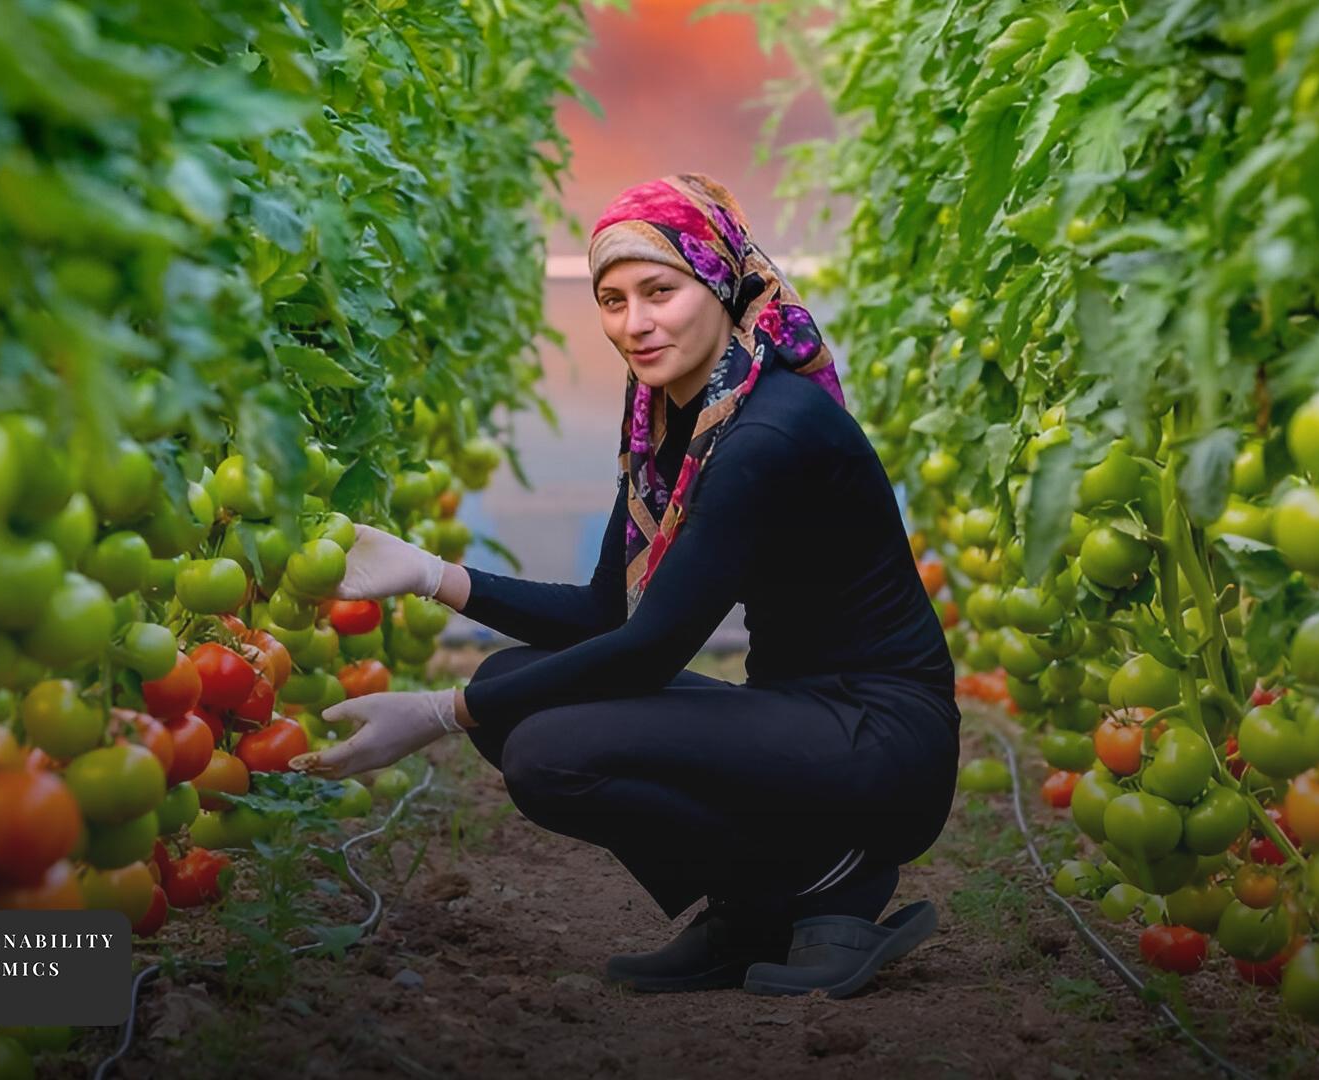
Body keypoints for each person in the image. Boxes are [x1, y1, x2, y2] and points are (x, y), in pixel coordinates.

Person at [295, 174, 961, 998]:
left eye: (660, 291)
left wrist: (436, 713)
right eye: (612, 300)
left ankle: (831, 879)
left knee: (546, 751)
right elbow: (607, 610)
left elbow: (650, 648)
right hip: (803, 720)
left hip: (882, 741)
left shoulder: (767, 433)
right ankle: (759, 905)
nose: (635, 324)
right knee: (507, 683)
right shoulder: (673, 418)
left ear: (717, 282)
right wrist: (435, 576)